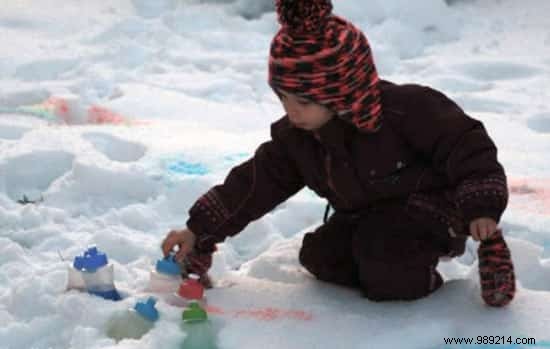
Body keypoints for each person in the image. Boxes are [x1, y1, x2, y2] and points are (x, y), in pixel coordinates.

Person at [161, 0, 515, 306]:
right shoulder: (300, 138)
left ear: (343, 90)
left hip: (433, 214)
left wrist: (481, 208)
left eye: (303, 101)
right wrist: (199, 231)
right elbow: (253, 185)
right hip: (366, 217)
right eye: (282, 98)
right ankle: (380, 267)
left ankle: (424, 290)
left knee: (386, 267)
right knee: (319, 257)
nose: (291, 111)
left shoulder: (406, 111)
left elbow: (466, 145)